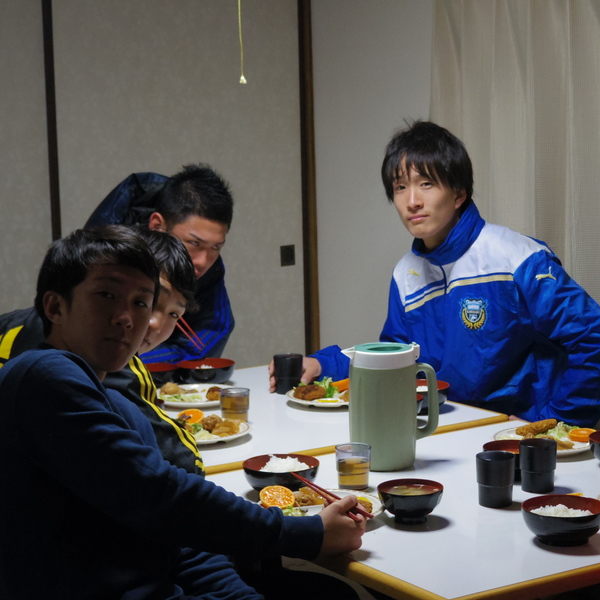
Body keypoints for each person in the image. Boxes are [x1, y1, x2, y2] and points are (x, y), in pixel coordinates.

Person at [0, 226, 364, 598]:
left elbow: (178, 534)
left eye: (141, 302)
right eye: (107, 295)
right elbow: (160, 494)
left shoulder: (120, 406)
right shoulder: (41, 376)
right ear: (55, 307)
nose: (127, 317)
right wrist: (304, 534)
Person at [275, 121, 600, 426]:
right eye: (400, 187)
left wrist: (550, 424)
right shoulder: (406, 273)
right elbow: (398, 357)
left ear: (458, 193)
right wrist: (322, 365)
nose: (412, 201)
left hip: (513, 437)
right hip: (444, 430)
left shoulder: (516, 257)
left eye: (426, 184)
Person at [0, 227, 204, 475]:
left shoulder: (15, 322)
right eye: (108, 295)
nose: (154, 323)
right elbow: (176, 465)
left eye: (173, 314)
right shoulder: (93, 358)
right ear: (55, 306)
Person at [85, 164, 234, 362]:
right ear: (157, 225)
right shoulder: (104, 254)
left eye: (216, 247)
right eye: (194, 243)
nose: (202, 262)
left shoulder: (205, 262)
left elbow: (212, 331)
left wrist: (138, 363)